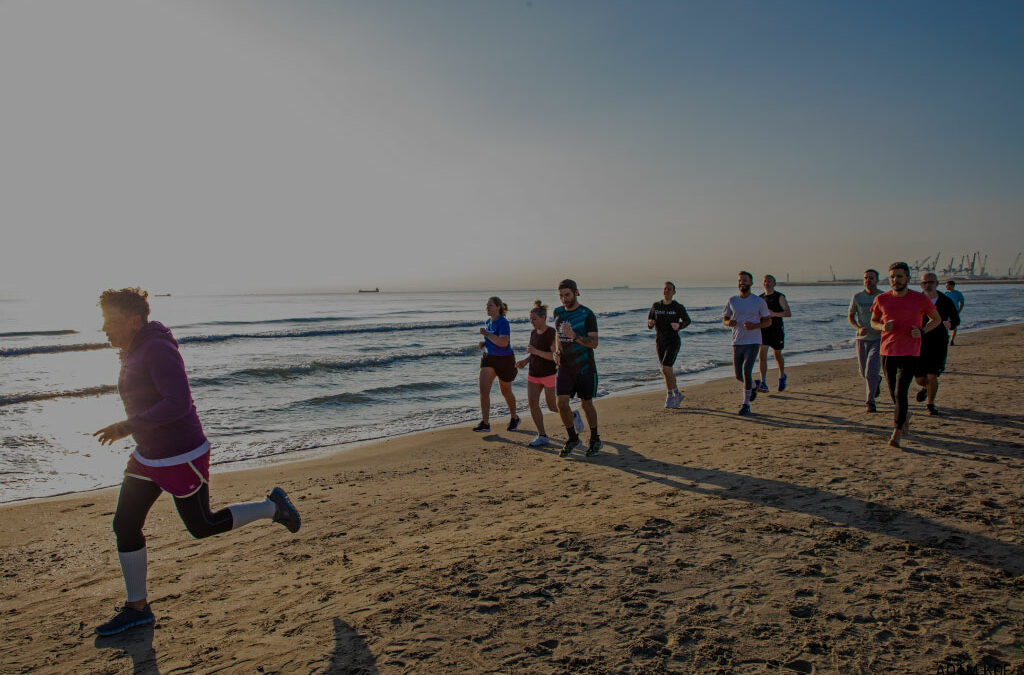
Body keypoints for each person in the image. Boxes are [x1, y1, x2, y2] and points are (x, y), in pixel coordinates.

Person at [92, 288, 301, 637]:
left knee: (202, 526)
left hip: (180, 455)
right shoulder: (131, 348)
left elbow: (177, 403)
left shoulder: (157, 348)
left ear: (134, 321)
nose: (104, 329)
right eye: (103, 321)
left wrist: (126, 426)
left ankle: (273, 508)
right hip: (147, 456)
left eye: (110, 321)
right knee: (125, 525)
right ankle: (137, 608)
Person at [870, 263, 942, 448]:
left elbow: (937, 319)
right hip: (888, 351)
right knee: (894, 392)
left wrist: (922, 331)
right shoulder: (882, 299)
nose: (896, 280)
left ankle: (896, 432)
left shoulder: (919, 299)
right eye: (893, 276)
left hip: (910, 351)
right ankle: (904, 416)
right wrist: (882, 327)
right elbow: (874, 321)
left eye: (900, 276)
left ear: (908, 279)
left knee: (901, 391)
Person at [553, 279, 602, 457]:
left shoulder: (587, 314)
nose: (564, 299)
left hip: (585, 367)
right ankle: (572, 437)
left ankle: (595, 438)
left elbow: (594, 342)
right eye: (561, 296)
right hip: (565, 367)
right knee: (561, 403)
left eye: (567, 295)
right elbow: (558, 335)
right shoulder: (557, 312)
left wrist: (574, 336)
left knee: (586, 404)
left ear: (575, 292)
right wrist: (556, 351)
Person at [515, 300, 567, 447]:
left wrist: (535, 351)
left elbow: (554, 356)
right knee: (533, 405)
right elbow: (533, 354)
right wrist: (525, 361)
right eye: (530, 319)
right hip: (533, 374)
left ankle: (572, 414)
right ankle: (542, 435)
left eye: (534, 319)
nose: (532, 322)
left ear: (544, 317)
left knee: (552, 406)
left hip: (549, 374)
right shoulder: (533, 333)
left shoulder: (551, 333)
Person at [723, 271, 772, 416]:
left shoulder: (758, 301)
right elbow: (725, 318)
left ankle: (746, 405)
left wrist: (755, 326)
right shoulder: (732, 300)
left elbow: (768, 321)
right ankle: (755, 384)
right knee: (739, 376)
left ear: (751, 283)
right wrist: (728, 323)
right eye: (740, 280)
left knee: (746, 370)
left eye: (745, 280)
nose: (742, 282)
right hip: (737, 341)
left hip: (753, 341)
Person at [914, 272, 960, 415]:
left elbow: (956, 320)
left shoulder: (945, 301)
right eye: (924, 283)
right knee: (920, 378)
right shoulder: (916, 300)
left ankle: (930, 404)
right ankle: (925, 388)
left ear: (936, 283)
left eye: (931, 282)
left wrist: (950, 323)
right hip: (919, 343)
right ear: (921, 285)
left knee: (932, 375)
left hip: (939, 342)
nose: (928, 285)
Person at [473, 296, 520, 433]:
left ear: (498, 307)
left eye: (490, 306)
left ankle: (514, 417)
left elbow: (504, 342)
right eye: (486, 305)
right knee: (483, 391)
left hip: (505, 360)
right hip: (489, 358)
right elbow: (494, 341)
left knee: (505, 391)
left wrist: (487, 335)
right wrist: (485, 343)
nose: (487, 308)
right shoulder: (488, 321)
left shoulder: (503, 322)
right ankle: (485, 423)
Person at [647, 281, 691, 408]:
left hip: (673, 340)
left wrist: (679, 325)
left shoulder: (677, 307)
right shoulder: (656, 306)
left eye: (669, 289)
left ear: (674, 292)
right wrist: (650, 324)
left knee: (666, 368)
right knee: (667, 370)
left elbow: (687, 320)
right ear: (663, 291)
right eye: (665, 289)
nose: (667, 291)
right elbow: (650, 321)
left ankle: (670, 395)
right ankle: (676, 393)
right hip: (660, 341)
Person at [847, 269, 883, 412]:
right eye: (866, 278)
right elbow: (850, 316)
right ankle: (877, 381)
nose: (868, 280)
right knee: (863, 373)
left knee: (871, 371)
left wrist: (882, 327)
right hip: (862, 339)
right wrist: (857, 327)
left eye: (871, 278)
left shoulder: (883, 296)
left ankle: (870, 401)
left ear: (877, 280)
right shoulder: (857, 297)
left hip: (879, 338)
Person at [755, 274, 791, 393]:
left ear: (774, 283)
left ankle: (781, 376)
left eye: (770, 281)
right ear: (763, 283)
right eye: (765, 281)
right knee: (762, 355)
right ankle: (763, 382)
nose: (767, 283)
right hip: (763, 330)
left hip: (776, 330)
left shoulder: (779, 296)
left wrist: (774, 314)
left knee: (777, 355)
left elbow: (788, 313)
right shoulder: (759, 298)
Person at [944, 280, 965, 345]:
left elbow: (962, 302)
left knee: (954, 326)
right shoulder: (946, 293)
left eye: (947, 285)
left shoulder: (958, 293)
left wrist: (959, 311)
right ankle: (946, 339)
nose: (946, 287)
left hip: (954, 312)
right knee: (945, 326)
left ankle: (952, 340)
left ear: (952, 285)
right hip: (946, 313)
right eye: (946, 285)